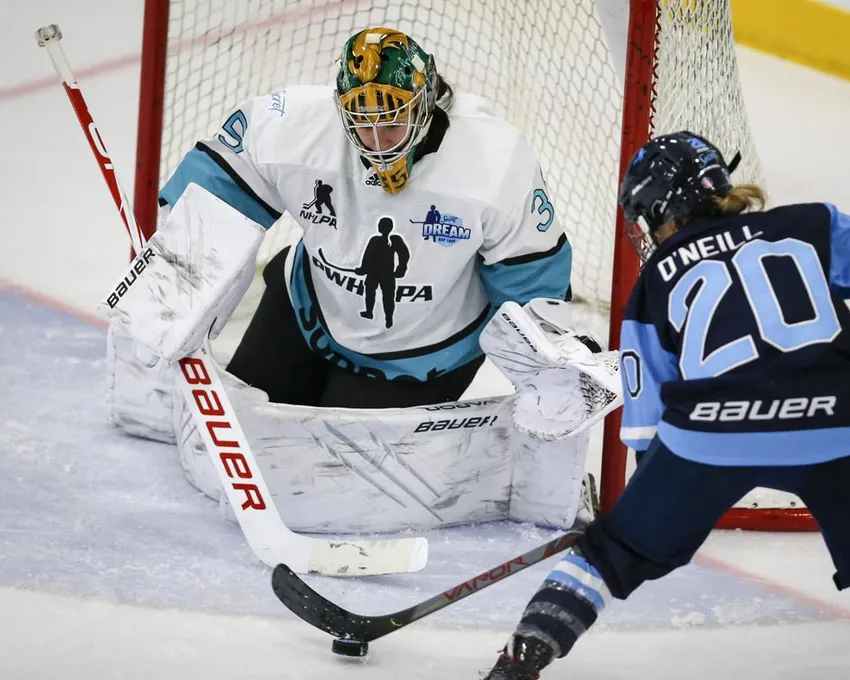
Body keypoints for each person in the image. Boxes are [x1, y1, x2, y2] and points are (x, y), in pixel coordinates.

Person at [482, 131, 850, 679]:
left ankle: (526, 652)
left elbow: (645, 430)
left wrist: (641, 521)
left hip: (710, 433)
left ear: (660, 213)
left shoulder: (655, 281)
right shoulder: (816, 222)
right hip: (836, 419)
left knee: (607, 556)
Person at [114, 26, 572, 411]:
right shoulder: (293, 126)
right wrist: (173, 290)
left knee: (329, 470)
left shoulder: (493, 162)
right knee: (255, 430)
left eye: (391, 121)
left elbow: (531, 280)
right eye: (360, 120)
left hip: (424, 354)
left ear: (426, 104)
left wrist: (544, 374)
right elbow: (214, 194)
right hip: (305, 312)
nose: (375, 140)